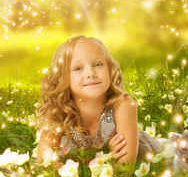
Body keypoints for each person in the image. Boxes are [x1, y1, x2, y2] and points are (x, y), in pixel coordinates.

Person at [35, 35, 156, 167]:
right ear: (62, 78)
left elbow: (125, 166)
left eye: (98, 64)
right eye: (78, 68)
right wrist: (104, 159)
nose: (90, 73)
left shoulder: (123, 105)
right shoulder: (58, 111)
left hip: (150, 158)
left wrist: (78, 168)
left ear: (110, 69)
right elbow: (44, 161)